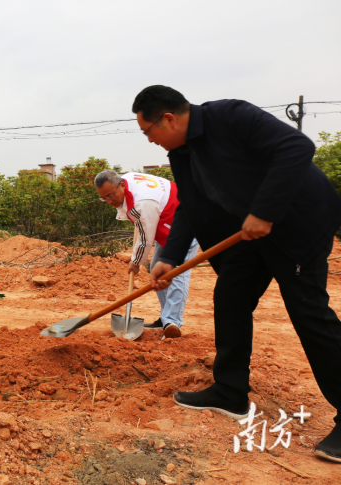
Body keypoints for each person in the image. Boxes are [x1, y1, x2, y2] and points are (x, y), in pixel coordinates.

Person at [133, 85, 341, 463]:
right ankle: (230, 391)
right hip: (246, 234)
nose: (150, 140)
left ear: (168, 118)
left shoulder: (230, 116)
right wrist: (171, 256)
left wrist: (265, 210)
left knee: (309, 315)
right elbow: (190, 205)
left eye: (149, 132)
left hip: (296, 225)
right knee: (229, 298)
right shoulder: (181, 151)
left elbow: (297, 148)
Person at [95, 170, 198, 339]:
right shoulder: (126, 183)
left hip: (187, 222)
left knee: (176, 274)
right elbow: (142, 226)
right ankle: (165, 319)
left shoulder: (142, 202)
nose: (108, 201)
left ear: (121, 185)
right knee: (156, 268)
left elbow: (146, 238)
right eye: (104, 197)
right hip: (167, 221)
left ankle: (172, 322)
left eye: (110, 195)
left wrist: (136, 262)